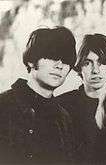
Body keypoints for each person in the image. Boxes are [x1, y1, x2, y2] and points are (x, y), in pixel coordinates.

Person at [0, 26, 77, 164]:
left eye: (66, 60)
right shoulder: (4, 105)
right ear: (31, 60)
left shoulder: (63, 118)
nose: (60, 65)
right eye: (52, 57)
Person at [57, 33, 106, 163]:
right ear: (79, 67)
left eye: (103, 63)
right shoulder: (62, 105)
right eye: (88, 63)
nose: (95, 70)